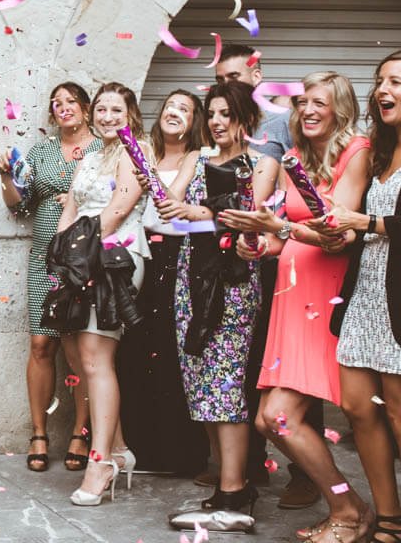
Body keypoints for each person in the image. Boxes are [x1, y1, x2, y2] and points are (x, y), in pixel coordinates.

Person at [224, 71, 374, 541]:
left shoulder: (358, 151)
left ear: (341, 110)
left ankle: (350, 509)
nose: (307, 110)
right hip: (291, 295)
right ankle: (347, 505)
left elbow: (339, 235)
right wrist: (259, 244)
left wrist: (281, 230)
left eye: (319, 103)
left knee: (279, 417)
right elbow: (281, 234)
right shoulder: (298, 157)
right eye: (302, 102)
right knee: (270, 418)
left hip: (325, 297)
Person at [152, 80, 278, 531]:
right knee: (201, 382)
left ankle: (234, 494)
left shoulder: (262, 163)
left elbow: (252, 212)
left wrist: (201, 214)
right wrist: (170, 202)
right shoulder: (198, 158)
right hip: (192, 276)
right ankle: (230, 485)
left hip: (234, 281)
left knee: (224, 384)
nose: (218, 122)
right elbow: (171, 205)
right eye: (213, 114)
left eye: (228, 114)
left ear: (246, 119)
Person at [215, 42, 322, 510]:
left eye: (235, 78)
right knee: (251, 359)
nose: (228, 88)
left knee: (293, 368)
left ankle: (305, 474)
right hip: (244, 251)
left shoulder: (282, 122)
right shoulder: (227, 124)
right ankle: (252, 462)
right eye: (220, 81)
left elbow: (287, 185)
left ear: (257, 77)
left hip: (287, 255)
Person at [309, 50, 401, 543]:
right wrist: (339, 234)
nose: (384, 90)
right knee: (358, 407)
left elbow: (372, 222)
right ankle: (387, 517)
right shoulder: (380, 154)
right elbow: (354, 225)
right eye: (381, 81)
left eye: (397, 82)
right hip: (365, 294)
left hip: (399, 304)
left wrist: (365, 223)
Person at [51, 82, 149, 506]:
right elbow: (70, 209)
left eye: (117, 109)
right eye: (103, 109)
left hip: (115, 257)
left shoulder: (136, 150)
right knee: (76, 356)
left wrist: (80, 254)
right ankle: (120, 450)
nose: (109, 116)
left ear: (131, 114)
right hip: (79, 256)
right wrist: (60, 260)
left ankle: (100, 462)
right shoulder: (89, 155)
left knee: (96, 356)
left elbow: (118, 209)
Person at [0, 83, 99, 473]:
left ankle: (81, 431)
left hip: (85, 263)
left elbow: (118, 194)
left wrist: (78, 198)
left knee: (82, 351)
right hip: (44, 261)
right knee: (42, 344)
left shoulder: (101, 149)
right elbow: (18, 203)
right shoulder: (41, 151)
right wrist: (7, 177)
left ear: (86, 108)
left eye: (71, 101)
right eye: (57, 103)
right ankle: (38, 433)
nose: (63, 108)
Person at [116, 90, 209, 475]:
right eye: (170, 106)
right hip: (144, 256)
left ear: (194, 121)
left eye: (184, 109)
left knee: (171, 352)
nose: (174, 112)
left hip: (177, 255)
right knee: (137, 348)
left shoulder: (194, 156)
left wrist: (147, 174)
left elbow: (173, 199)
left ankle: (179, 454)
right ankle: (142, 448)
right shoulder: (145, 150)